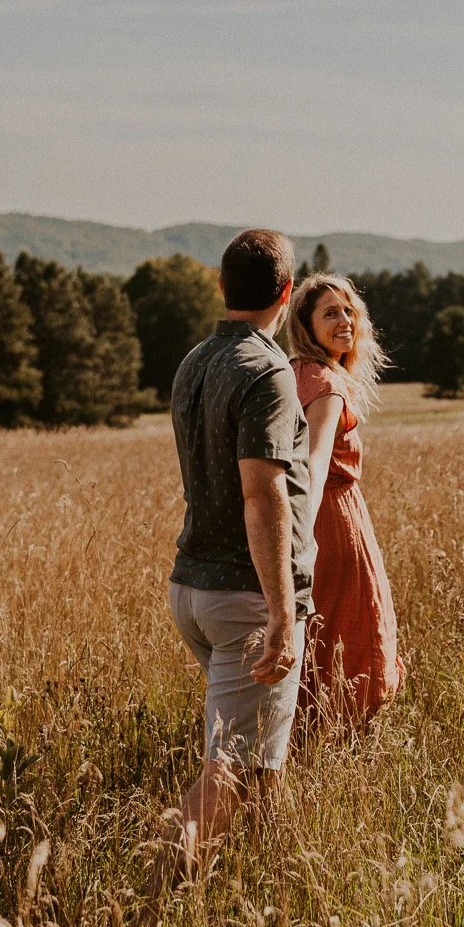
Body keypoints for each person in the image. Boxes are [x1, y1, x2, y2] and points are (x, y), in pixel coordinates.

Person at [158, 228, 315, 885]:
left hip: (191, 587)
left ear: (223, 289)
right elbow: (263, 494)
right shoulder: (267, 369)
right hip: (244, 599)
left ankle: (275, 876)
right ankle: (151, 899)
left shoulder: (194, 361)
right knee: (226, 765)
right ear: (286, 293)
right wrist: (281, 612)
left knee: (258, 754)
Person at [286, 274, 404, 728]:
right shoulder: (327, 384)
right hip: (330, 520)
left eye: (350, 311)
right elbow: (314, 463)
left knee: (318, 628)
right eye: (330, 313)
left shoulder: (294, 374)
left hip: (315, 516)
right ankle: (341, 727)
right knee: (350, 627)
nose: (344, 321)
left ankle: (307, 729)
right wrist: (304, 537)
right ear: (304, 324)